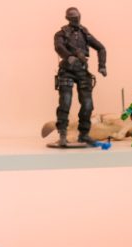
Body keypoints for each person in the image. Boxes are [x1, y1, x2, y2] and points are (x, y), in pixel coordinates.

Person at [53, 7, 106, 147]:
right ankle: (63, 133)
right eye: (73, 17)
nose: (76, 19)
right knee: (65, 102)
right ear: (68, 19)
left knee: (88, 104)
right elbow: (58, 47)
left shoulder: (85, 33)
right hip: (67, 71)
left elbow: (101, 48)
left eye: (77, 16)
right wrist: (68, 56)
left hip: (82, 71)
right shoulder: (61, 34)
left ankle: (84, 134)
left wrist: (102, 65)